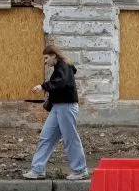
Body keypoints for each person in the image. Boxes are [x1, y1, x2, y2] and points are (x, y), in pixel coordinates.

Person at [23, 45, 89, 180]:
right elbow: (59, 84)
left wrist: (43, 86)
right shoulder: (60, 67)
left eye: (46, 58)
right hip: (59, 107)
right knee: (46, 137)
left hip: (67, 107)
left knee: (70, 139)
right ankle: (37, 170)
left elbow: (60, 83)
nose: (45, 61)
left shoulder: (64, 66)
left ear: (54, 55)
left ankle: (80, 170)